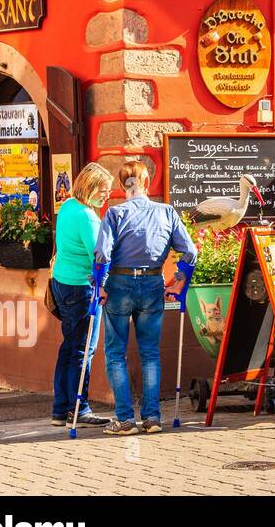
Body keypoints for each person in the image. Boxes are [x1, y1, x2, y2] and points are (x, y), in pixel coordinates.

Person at [95, 161, 197, 436]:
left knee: (115, 353)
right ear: (147, 182)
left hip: (120, 283)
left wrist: (100, 287)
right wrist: (178, 278)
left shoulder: (115, 214)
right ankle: (152, 418)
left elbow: (102, 255)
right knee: (150, 352)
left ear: (121, 186)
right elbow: (190, 252)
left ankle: (125, 420)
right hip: (153, 282)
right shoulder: (167, 212)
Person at [49, 163, 115, 428]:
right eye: (103, 190)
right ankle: (80, 409)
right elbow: (99, 256)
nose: (106, 196)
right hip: (81, 289)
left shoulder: (67, 206)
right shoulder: (87, 216)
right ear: (90, 187)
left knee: (68, 348)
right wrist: (106, 284)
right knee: (82, 350)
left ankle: (60, 410)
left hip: (62, 284)